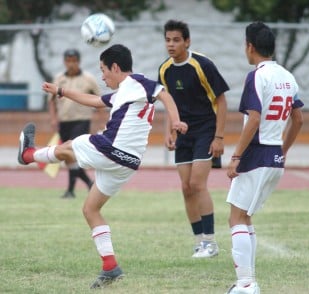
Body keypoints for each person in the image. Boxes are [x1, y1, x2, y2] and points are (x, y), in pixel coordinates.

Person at [17, 44, 188, 289]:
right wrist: (61, 91)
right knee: (90, 209)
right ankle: (110, 266)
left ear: (115, 67)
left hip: (112, 148)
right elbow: (95, 101)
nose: (102, 75)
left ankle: (28, 154)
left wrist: (176, 121)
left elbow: (165, 95)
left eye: (103, 70)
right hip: (128, 162)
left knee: (69, 146)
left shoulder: (137, 83)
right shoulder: (123, 94)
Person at [225, 22, 303, 294]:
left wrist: (236, 155)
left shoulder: (256, 76)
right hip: (274, 157)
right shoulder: (287, 77)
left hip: (256, 154)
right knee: (245, 217)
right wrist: (283, 150)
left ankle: (246, 284)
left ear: (250, 46)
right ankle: (249, 281)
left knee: (236, 218)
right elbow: (298, 119)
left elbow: (254, 117)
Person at [158, 19, 229, 258]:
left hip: (205, 130)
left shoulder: (202, 64)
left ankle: (211, 242)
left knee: (198, 185)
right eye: (168, 40)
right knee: (186, 188)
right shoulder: (164, 69)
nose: (171, 44)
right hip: (183, 134)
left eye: (176, 40)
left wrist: (219, 137)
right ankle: (199, 241)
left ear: (187, 41)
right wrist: (169, 131)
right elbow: (168, 103)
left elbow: (221, 100)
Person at [48, 48, 102, 198]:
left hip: (81, 121)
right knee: (68, 156)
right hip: (64, 122)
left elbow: (100, 101)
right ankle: (86, 184)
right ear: (64, 62)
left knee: (72, 153)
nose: (71, 64)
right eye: (68, 61)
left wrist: (100, 120)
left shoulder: (88, 78)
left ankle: (72, 190)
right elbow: (51, 101)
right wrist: (53, 118)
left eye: (74, 61)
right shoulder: (59, 79)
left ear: (79, 61)